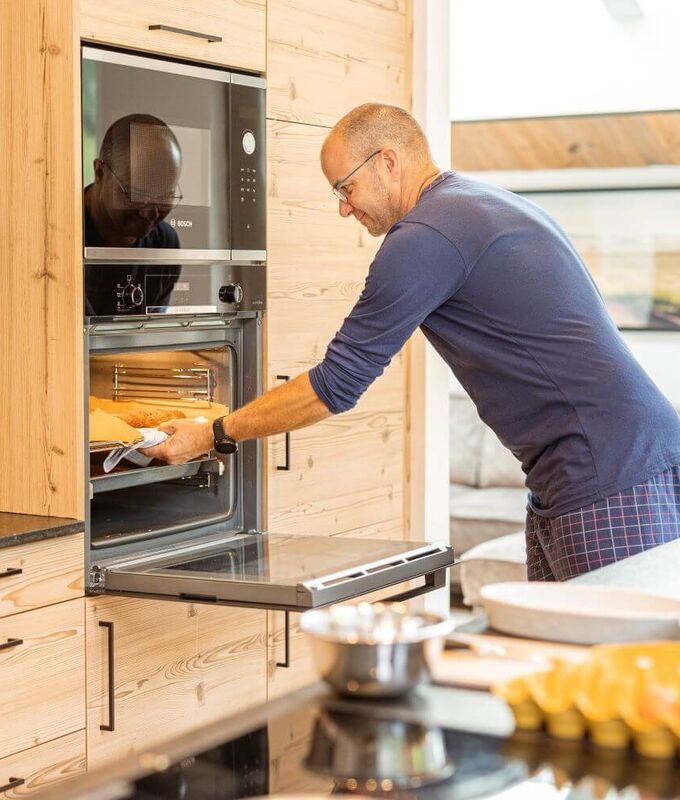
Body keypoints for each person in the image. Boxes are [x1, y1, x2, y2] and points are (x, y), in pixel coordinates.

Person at [143, 103, 680, 581]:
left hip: (604, 471)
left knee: (611, 667)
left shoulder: (424, 238)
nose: (344, 209)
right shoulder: (481, 203)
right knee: (557, 662)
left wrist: (212, 433)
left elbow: (335, 386)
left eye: (344, 188)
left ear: (388, 161)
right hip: (618, 457)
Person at [84, 113, 183, 316]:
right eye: (138, 195)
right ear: (100, 172)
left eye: (166, 197)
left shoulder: (165, 246)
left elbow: (148, 341)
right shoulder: (59, 234)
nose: (152, 213)